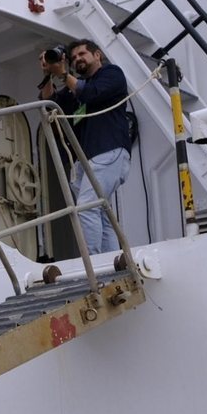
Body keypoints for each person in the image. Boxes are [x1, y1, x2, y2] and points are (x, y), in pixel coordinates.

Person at [40, 39, 131, 254]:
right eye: (73, 58)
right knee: (99, 211)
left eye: (82, 53)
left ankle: (95, 263)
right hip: (83, 161)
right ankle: (111, 261)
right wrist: (48, 73)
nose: (77, 59)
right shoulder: (74, 89)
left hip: (108, 151)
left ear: (97, 54)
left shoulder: (112, 74)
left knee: (86, 207)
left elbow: (91, 93)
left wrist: (63, 74)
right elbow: (49, 102)